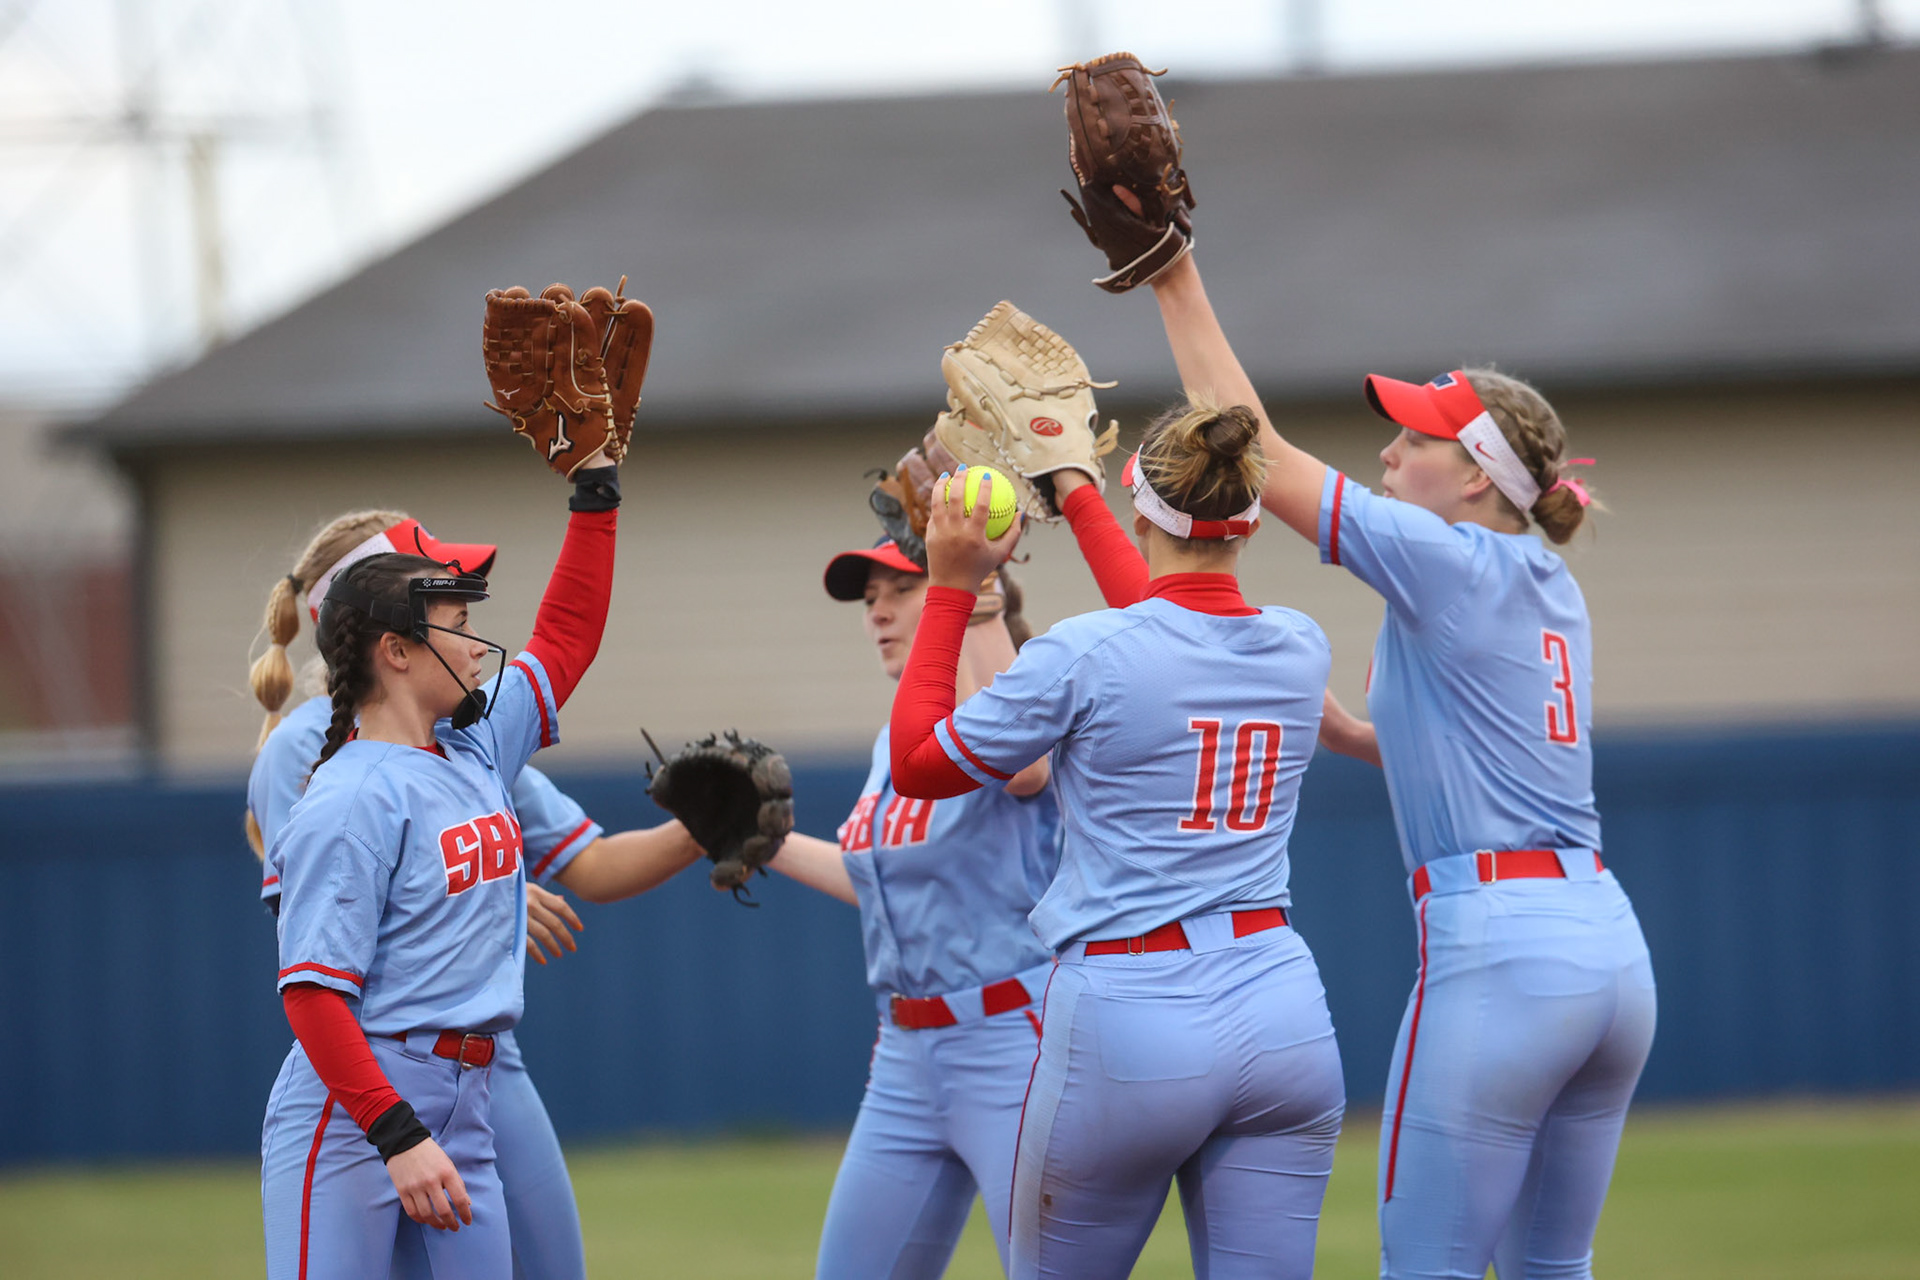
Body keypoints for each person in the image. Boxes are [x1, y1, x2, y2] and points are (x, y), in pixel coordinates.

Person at [1131, 244, 1656, 1280]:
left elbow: (1256, 451)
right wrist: (1363, 737)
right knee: (1554, 1265)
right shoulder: (1549, 580)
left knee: (1429, 1265)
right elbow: (1508, 756)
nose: (1385, 452)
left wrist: (1171, 275)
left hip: (1501, 948)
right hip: (1607, 951)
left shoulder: (1448, 556)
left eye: (1413, 435)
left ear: (1473, 477)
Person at [887, 415, 1346, 1279]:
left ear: (1142, 514)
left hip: (1131, 1006)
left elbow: (918, 764)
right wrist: (1074, 486)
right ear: (1247, 520)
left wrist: (952, 585)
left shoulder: (1085, 652)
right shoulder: (1300, 644)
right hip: (1280, 1001)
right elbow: (1169, 624)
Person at [247, 508, 707, 1280]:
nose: (475, 644)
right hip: (359, 1107)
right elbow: (313, 996)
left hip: (472, 1090)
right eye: (456, 622)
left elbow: (565, 639)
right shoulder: (344, 795)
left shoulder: (475, 744)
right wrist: (396, 1134)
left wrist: (596, 496)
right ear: (394, 650)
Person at [765, 537, 1057, 1279]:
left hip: (1012, 1040)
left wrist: (978, 581)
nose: (880, 613)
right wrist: (760, 841)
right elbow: (884, 877)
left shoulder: (1012, 704)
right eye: (870, 601)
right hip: (904, 1054)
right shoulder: (895, 739)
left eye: (901, 588)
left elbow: (1025, 769)